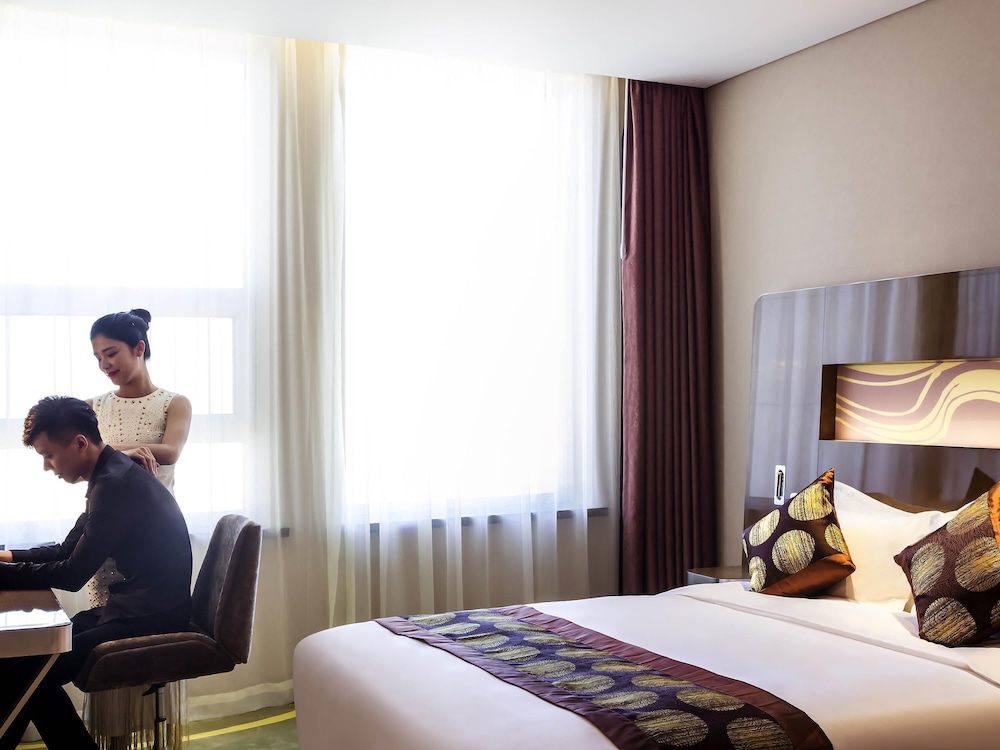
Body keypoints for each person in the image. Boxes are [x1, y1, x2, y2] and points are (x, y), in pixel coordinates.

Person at [0, 396, 193, 750]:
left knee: (27, 676)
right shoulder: (110, 474)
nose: (46, 467)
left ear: (79, 443)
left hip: (152, 615)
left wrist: (4, 575)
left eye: (48, 455)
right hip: (135, 607)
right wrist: (8, 557)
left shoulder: (115, 484)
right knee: (22, 668)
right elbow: (66, 550)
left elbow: (72, 574)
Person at [85, 309, 192, 748]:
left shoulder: (173, 402)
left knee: (148, 645)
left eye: (110, 353)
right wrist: (122, 454)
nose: (104, 364)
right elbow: (85, 455)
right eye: (97, 357)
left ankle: (154, 737)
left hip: (154, 543)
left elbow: (170, 451)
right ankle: (112, 741)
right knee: (106, 645)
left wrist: (112, 451)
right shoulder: (93, 406)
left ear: (139, 348)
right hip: (107, 537)